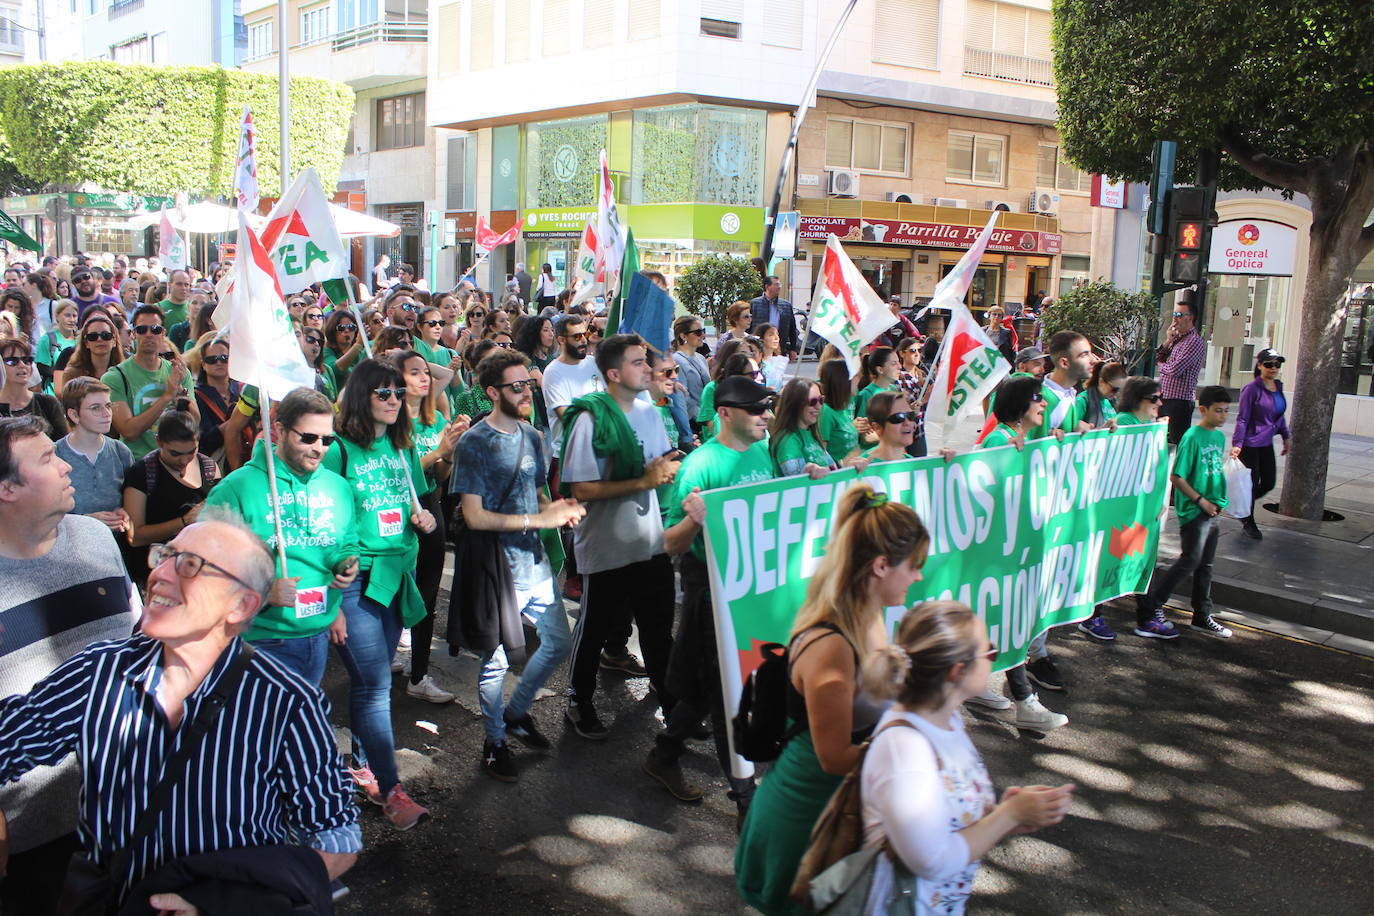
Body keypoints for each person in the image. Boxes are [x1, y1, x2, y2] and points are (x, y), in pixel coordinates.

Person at [0, 512, 361, 911]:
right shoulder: (98, 672)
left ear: (241, 605)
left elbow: (337, 838)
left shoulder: (287, 702)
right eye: (165, 556)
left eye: (190, 565)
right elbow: (10, 738)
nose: (160, 575)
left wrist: (227, 902)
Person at [736, 485, 930, 914]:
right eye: (914, 566)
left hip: (838, 811)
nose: (918, 576)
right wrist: (922, 755)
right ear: (881, 565)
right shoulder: (833, 647)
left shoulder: (868, 615)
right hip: (808, 824)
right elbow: (835, 757)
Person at [0, 417, 139, 914]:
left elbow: (136, 643)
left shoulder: (96, 538)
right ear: (6, 489)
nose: (65, 466)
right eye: (46, 459)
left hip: (129, 809)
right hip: (29, 836)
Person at [860, 602, 1074, 915]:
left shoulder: (946, 720)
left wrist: (999, 818)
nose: (994, 657)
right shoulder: (905, 750)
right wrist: (1008, 815)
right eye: (989, 651)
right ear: (957, 671)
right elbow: (931, 861)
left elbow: (947, 819)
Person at [451, 348, 586, 780]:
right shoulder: (474, 443)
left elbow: (537, 493)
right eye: (517, 387)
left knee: (559, 643)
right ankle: (494, 743)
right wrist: (538, 519)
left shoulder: (532, 435)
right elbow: (474, 516)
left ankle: (516, 713)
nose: (527, 392)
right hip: (496, 570)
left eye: (529, 383)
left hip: (535, 563)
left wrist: (556, 509)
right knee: (495, 662)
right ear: (493, 392)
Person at [647, 376, 778, 811]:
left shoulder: (763, 451)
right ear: (724, 413)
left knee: (707, 684)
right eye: (755, 409)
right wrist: (695, 520)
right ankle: (745, 798)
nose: (765, 416)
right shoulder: (700, 466)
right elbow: (669, 542)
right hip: (711, 588)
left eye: (766, 407)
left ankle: (664, 754)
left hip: (753, 586)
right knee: (727, 691)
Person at [322, 359, 436, 828]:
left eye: (398, 392)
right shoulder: (337, 451)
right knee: (374, 687)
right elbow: (323, 523)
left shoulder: (403, 446)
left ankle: (362, 768)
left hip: (397, 575)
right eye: (383, 392)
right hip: (355, 582)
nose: (394, 400)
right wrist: (331, 599)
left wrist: (423, 519)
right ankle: (391, 791)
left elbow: (416, 504)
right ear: (360, 397)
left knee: (372, 684)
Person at [559, 334, 680, 738]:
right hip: (606, 546)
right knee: (593, 630)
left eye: (647, 361)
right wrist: (643, 481)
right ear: (613, 373)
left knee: (658, 630)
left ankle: (673, 707)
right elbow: (581, 488)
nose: (648, 368)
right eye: (637, 362)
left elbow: (661, 467)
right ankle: (578, 701)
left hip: (649, 541)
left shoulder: (649, 412)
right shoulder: (590, 419)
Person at [201, 386, 358, 691]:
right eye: (308, 438)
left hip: (317, 634)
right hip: (259, 640)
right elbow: (202, 567)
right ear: (280, 431)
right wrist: (262, 593)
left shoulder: (337, 486)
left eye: (327, 440)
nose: (319, 449)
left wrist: (346, 563)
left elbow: (347, 542)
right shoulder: (236, 488)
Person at [965, 375, 1069, 731]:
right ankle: (1025, 702)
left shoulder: (1022, 440)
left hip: (1010, 552)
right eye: (1037, 398)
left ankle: (973, 682)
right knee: (1010, 623)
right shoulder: (999, 440)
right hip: (997, 555)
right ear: (1019, 405)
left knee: (1000, 623)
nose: (1044, 404)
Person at [1137, 386, 1240, 640]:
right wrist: (1201, 501)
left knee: (1206, 565)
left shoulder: (1218, 438)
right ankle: (1154, 604)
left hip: (1213, 509)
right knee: (1190, 560)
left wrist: (1217, 501)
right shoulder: (1193, 436)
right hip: (1195, 510)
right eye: (1218, 410)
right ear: (1203, 409)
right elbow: (1177, 476)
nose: (1223, 416)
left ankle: (1202, 615)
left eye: (1226, 411)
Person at [396, 350, 467, 702]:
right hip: (398, 513)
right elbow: (398, 473)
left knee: (427, 593)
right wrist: (438, 452)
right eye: (414, 372)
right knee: (392, 591)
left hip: (431, 506)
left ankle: (419, 674)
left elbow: (439, 475)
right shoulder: (390, 425)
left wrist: (449, 451)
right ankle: (388, 652)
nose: (425, 377)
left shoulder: (436, 419)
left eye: (426, 371)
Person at [123, 409, 219, 585]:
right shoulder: (142, 473)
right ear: (159, 442)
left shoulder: (209, 468)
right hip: (156, 572)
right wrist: (184, 521)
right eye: (175, 453)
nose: (184, 460)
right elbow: (135, 537)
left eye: (191, 452)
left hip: (198, 570)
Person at [102, 304, 199, 460]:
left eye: (155, 329)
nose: (149, 334)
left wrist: (180, 393)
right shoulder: (115, 377)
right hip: (137, 462)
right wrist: (167, 396)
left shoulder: (179, 371)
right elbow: (129, 431)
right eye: (142, 329)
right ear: (133, 334)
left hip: (177, 461)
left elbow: (195, 421)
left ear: (163, 333)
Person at [55, 376, 133, 536]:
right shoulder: (55, 455)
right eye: (96, 408)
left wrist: (125, 511)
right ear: (74, 415)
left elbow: (132, 499)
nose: (106, 414)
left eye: (108, 406)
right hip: (72, 541)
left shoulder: (121, 451)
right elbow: (43, 513)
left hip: (114, 541)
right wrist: (85, 521)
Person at [1233, 348, 1290, 540]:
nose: (1273, 368)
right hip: (1250, 443)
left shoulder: (1278, 387)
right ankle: (1248, 520)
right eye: (1269, 364)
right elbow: (1243, 418)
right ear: (1259, 366)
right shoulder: (1252, 389)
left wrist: (1286, 436)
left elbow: (1279, 416)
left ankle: (1241, 504)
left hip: (1266, 442)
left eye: (1277, 364)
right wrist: (1237, 443)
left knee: (1268, 482)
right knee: (1251, 483)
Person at [1156, 298, 1206, 446]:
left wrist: (1160, 365)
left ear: (1190, 318)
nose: (1175, 318)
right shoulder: (1177, 338)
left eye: (1179, 315)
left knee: (1175, 443)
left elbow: (1174, 370)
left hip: (1179, 401)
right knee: (1160, 442)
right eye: (1174, 314)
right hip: (1165, 396)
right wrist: (1168, 340)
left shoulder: (1194, 341)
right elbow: (1158, 356)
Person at [768, 378, 840, 476]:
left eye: (821, 400)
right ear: (795, 404)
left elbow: (833, 468)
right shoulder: (787, 440)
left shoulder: (810, 432)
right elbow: (796, 480)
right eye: (813, 402)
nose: (819, 407)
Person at [0, 338, 67, 436]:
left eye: (27, 360)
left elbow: (62, 442)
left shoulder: (47, 403)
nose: (22, 365)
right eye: (12, 361)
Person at [53, 311, 121, 396]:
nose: (99, 339)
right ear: (86, 343)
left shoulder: (124, 372)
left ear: (114, 341)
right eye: (93, 336)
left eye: (106, 335)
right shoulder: (73, 374)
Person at [671, 315, 711, 426]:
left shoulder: (701, 358)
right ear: (683, 336)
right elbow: (683, 396)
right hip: (692, 422)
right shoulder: (676, 360)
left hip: (706, 418)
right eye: (698, 332)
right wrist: (704, 420)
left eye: (703, 331)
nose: (703, 335)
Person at [34, 299, 78, 392]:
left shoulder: (79, 339)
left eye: (74, 316)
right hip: (53, 391)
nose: (71, 320)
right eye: (67, 315)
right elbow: (42, 367)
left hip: (77, 390)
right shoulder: (48, 339)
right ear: (57, 316)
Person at [750, 277, 798, 359]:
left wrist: (793, 349)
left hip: (779, 348)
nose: (779, 287)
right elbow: (749, 326)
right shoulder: (755, 304)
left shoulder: (786, 305)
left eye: (780, 284)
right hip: (759, 347)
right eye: (776, 284)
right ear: (767, 286)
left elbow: (792, 329)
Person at [853, 346, 901, 421]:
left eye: (898, 362)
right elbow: (863, 424)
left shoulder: (893, 388)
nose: (899, 367)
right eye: (893, 363)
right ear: (880, 370)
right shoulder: (866, 394)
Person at [323, 308, 365, 391]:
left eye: (351, 327)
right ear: (333, 330)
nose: (347, 330)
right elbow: (336, 368)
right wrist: (358, 345)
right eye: (341, 328)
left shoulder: (361, 352)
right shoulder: (326, 352)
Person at [1077, 360, 1126, 429]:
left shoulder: (1110, 402)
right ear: (1101, 381)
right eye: (1114, 389)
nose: (1116, 393)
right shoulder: (1082, 400)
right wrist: (1101, 431)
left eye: (1120, 390)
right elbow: (1071, 429)